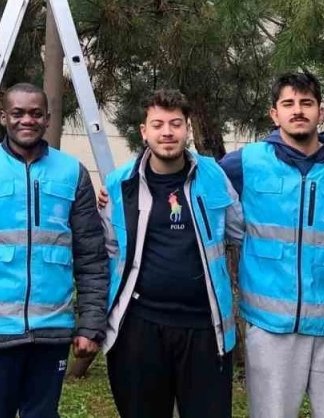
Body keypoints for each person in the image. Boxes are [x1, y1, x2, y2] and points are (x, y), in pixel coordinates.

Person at [219, 71, 324, 418]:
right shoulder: (246, 163)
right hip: (271, 327)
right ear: (274, 114)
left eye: (306, 103)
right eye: (288, 104)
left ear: (320, 111)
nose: (298, 110)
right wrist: (115, 187)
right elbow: (186, 176)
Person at [0, 83, 108, 418]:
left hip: (52, 331)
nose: (26, 120)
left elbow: (92, 258)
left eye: (35, 113)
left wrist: (90, 324)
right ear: (3, 117)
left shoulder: (72, 173)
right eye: (17, 113)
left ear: (47, 119)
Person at [101, 88, 242, 418]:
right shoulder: (119, 184)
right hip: (139, 328)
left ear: (187, 129)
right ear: (144, 131)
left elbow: (242, 232)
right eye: (158, 124)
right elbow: (108, 248)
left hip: (206, 329)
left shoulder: (214, 176)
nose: (167, 132)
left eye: (176, 124)